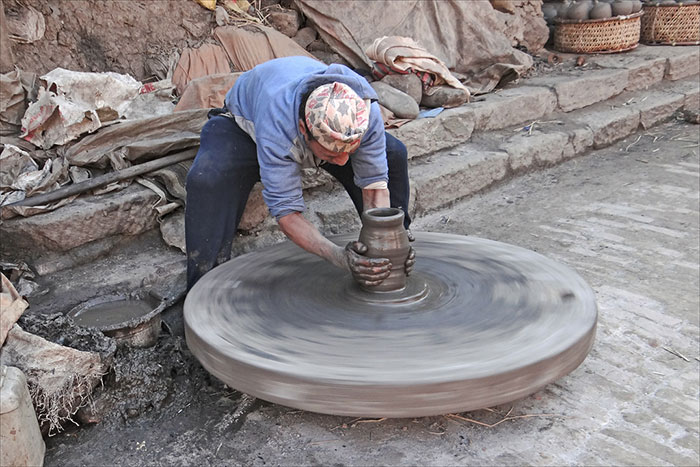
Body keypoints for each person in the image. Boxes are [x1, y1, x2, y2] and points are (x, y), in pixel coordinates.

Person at [185, 56, 415, 290]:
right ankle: (202, 291)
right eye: (333, 154)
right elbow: (287, 214)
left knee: (393, 154)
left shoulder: (364, 110)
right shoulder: (277, 125)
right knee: (208, 179)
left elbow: (375, 188)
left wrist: (390, 237)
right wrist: (338, 257)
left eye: (350, 150)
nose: (344, 160)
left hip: (314, 120)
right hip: (246, 126)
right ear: (304, 131)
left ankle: (400, 241)